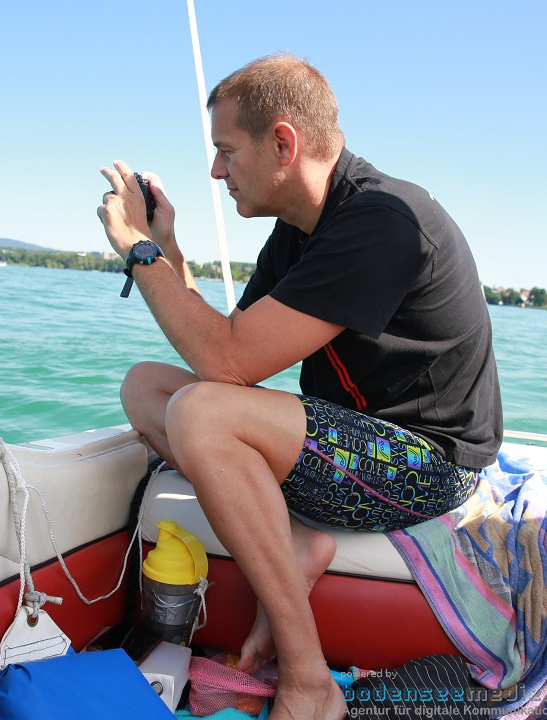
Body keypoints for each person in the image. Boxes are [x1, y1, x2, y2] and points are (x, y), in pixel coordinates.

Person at [97, 53, 501, 720]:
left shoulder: (382, 221)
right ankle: (297, 546)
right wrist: (167, 245)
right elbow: (224, 354)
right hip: (347, 444)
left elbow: (224, 372)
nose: (216, 171)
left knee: (200, 412)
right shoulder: (300, 231)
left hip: (429, 462)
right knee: (148, 387)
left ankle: (309, 682)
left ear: (282, 142)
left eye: (227, 151)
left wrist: (137, 251)